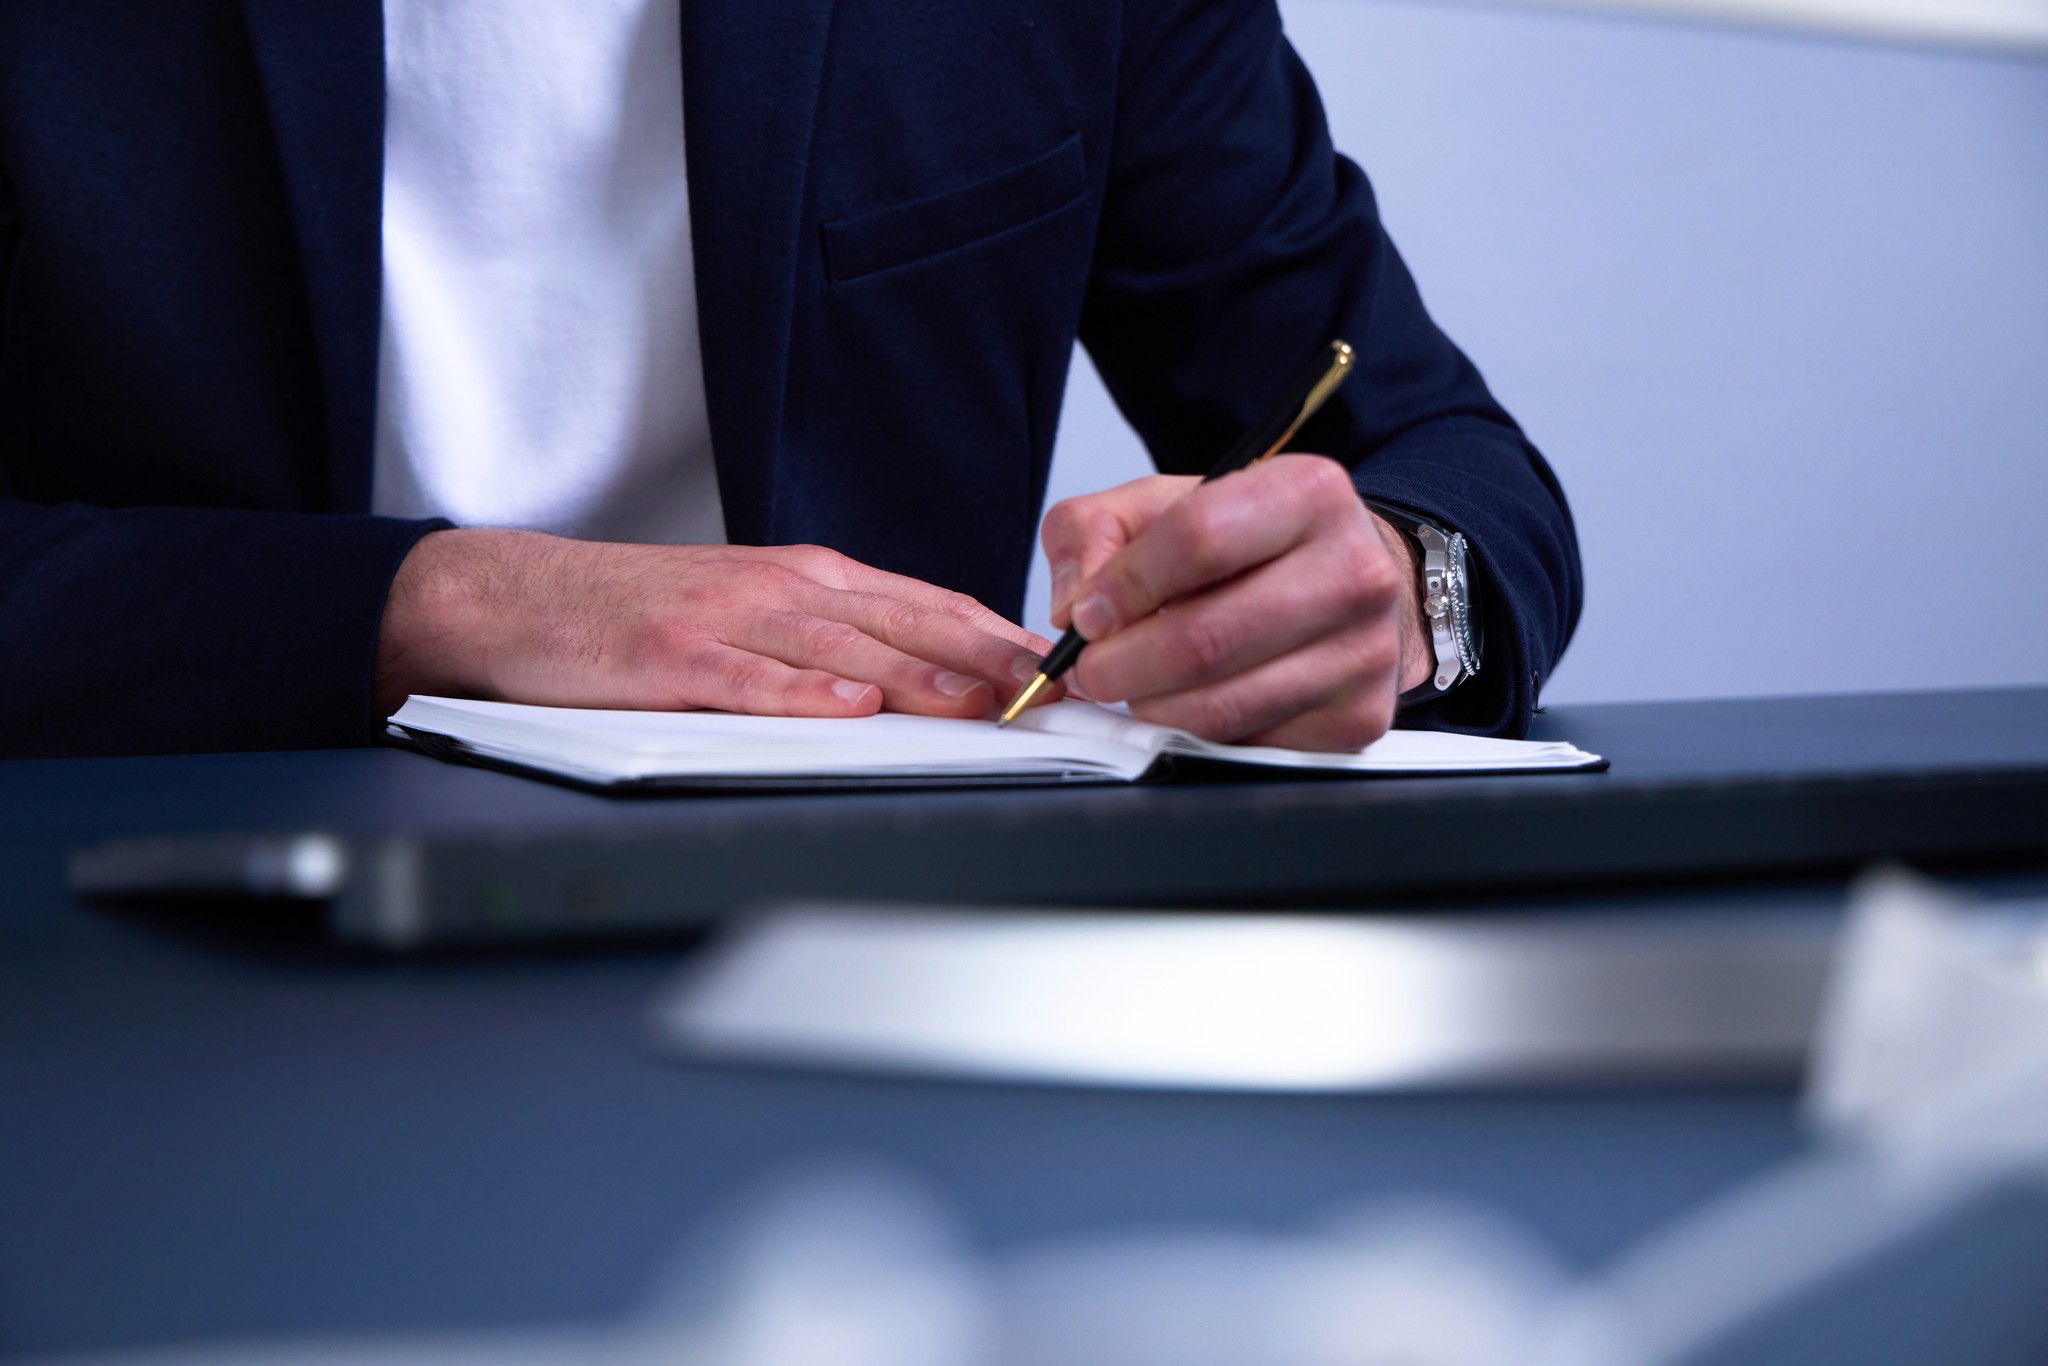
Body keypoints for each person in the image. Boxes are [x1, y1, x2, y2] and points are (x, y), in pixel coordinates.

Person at [0, 0, 1581, 760]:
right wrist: (434, 603)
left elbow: (1437, 450)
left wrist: (1386, 585)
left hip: (868, 944)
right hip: (152, 918)